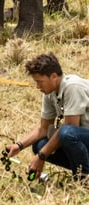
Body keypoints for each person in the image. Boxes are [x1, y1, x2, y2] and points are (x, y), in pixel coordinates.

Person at [5, 52, 89, 180]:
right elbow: (43, 128)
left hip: (81, 135)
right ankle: (79, 171)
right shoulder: (50, 93)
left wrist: (41, 156)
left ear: (54, 76)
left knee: (66, 133)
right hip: (83, 138)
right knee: (40, 144)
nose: (37, 86)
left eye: (40, 82)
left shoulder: (73, 87)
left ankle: (84, 178)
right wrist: (19, 146)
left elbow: (71, 126)